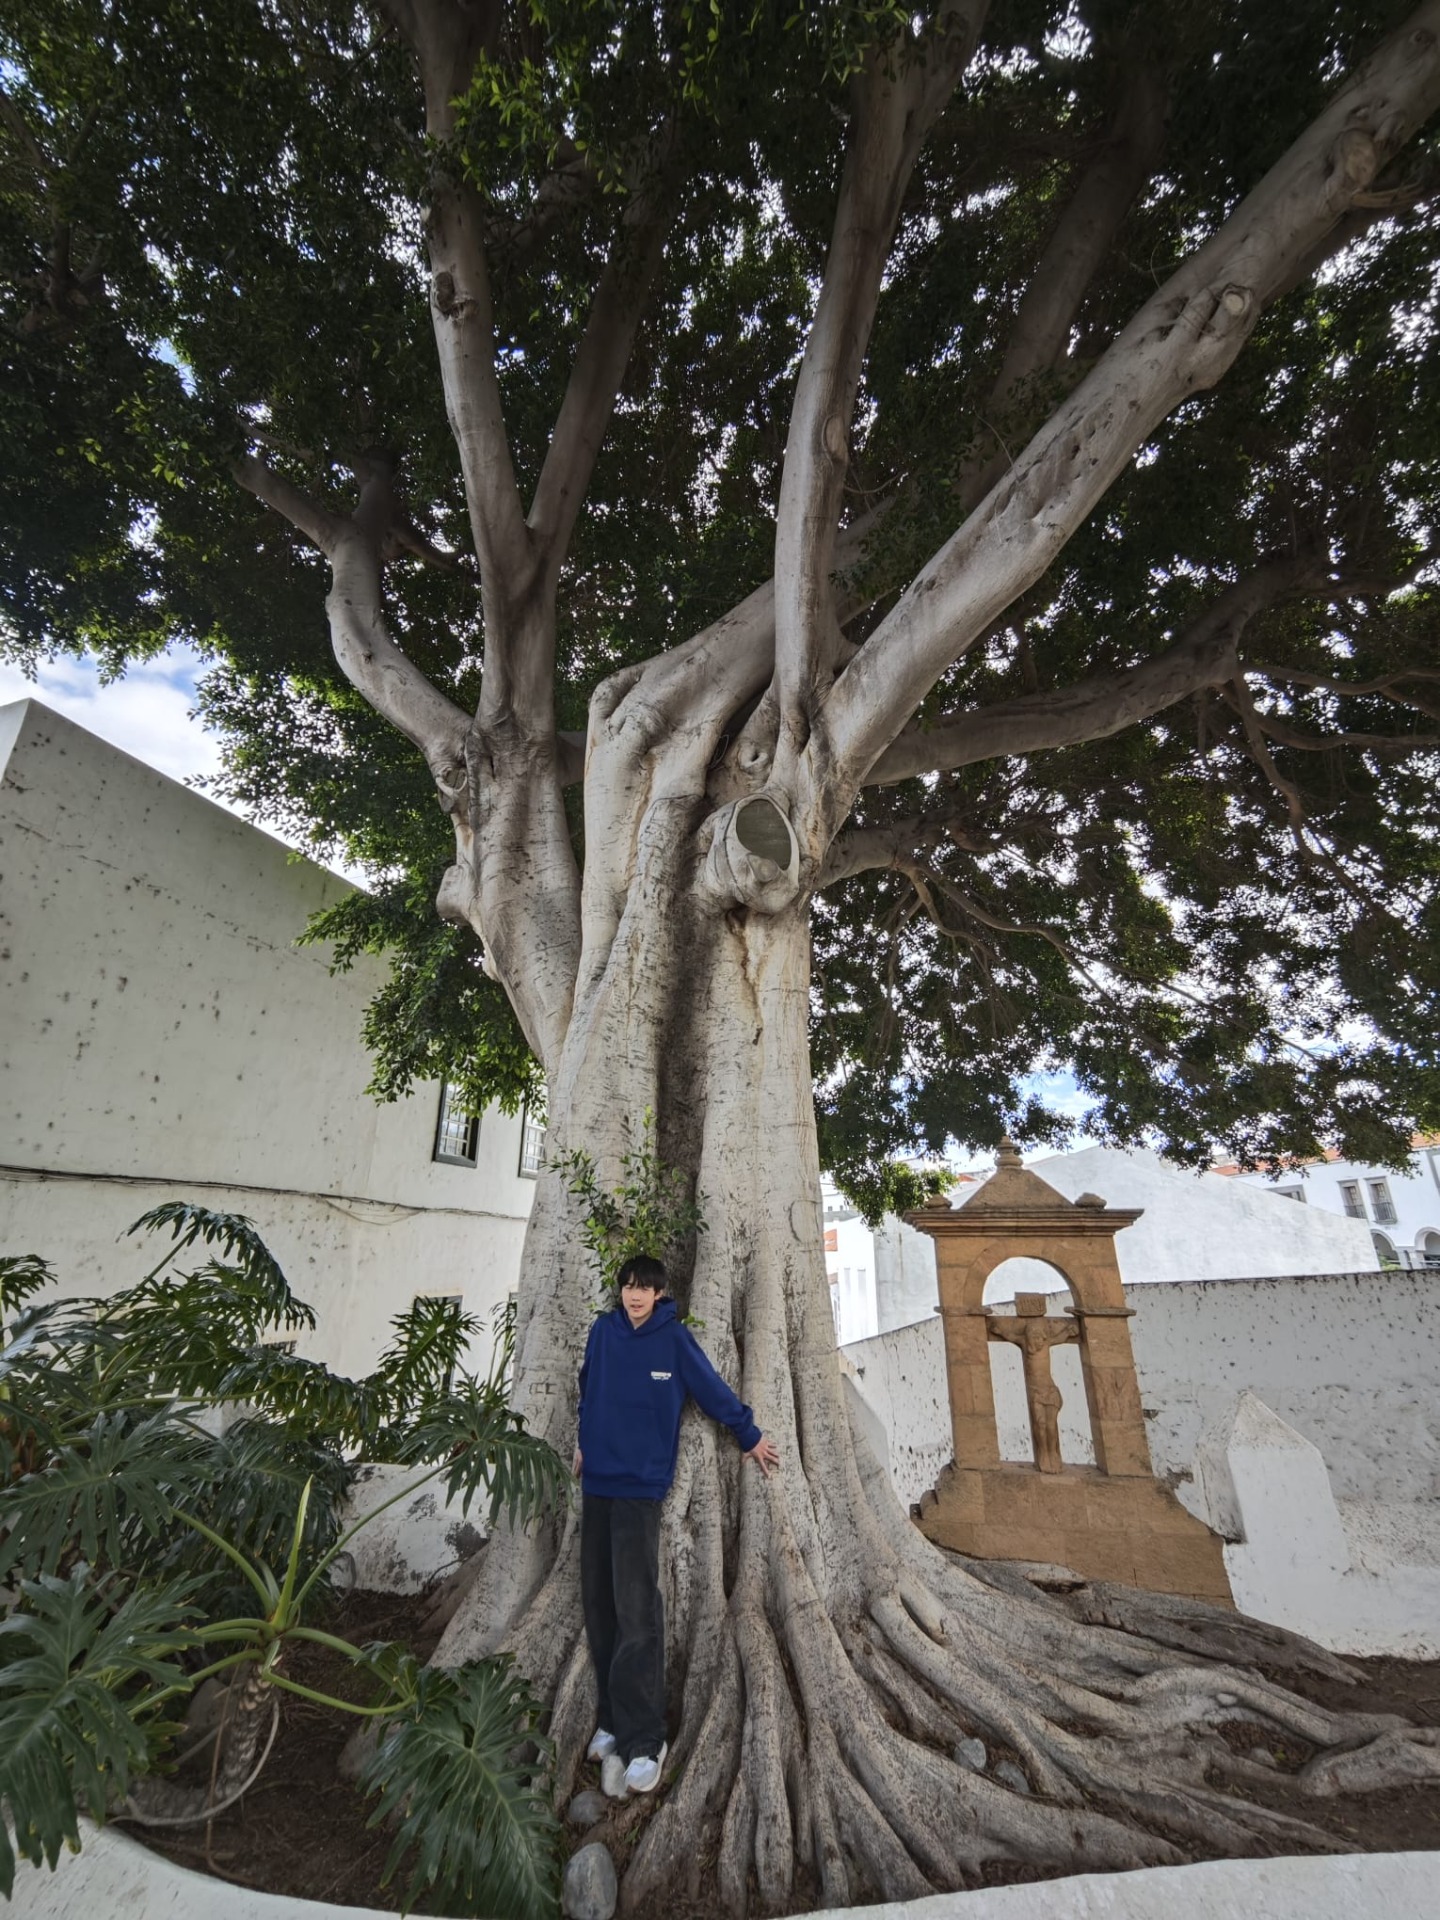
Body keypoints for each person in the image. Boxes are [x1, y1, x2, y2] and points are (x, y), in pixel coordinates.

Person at [574, 1253, 779, 1799]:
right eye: (628, 1287)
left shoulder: (673, 1340)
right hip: (595, 1485)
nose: (635, 1295)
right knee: (598, 1605)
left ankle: (645, 1741)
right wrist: (581, 1440)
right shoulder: (603, 1332)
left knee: (637, 1612)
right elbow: (587, 1385)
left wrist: (749, 1433)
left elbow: (710, 1389)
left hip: (640, 1491)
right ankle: (613, 1720)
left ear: (661, 1294)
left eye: (645, 1289)